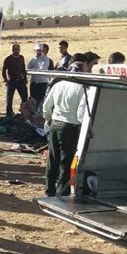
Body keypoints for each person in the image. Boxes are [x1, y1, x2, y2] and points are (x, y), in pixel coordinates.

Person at [43, 66, 87, 197]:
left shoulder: (58, 85)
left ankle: (49, 190)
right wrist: (82, 126)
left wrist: (49, 119)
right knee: (65, 162)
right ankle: (61, 193)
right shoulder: (81, 88)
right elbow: (81, 113)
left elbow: (46, 106)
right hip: (70, 127)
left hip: (55, 124)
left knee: (52, 160)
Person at [1, 43, 27, 116]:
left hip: (20, 80)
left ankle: (24, 112)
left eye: (18, 49)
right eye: (15, 49)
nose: (17, 51)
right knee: (9, 99)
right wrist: (6, 80)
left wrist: (25, 79)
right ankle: (9, 113)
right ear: (12, 50)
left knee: (24, 97)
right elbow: (4, 70)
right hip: (11, 81)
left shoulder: (21, 58)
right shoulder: (8, 59)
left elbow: (23, 69)